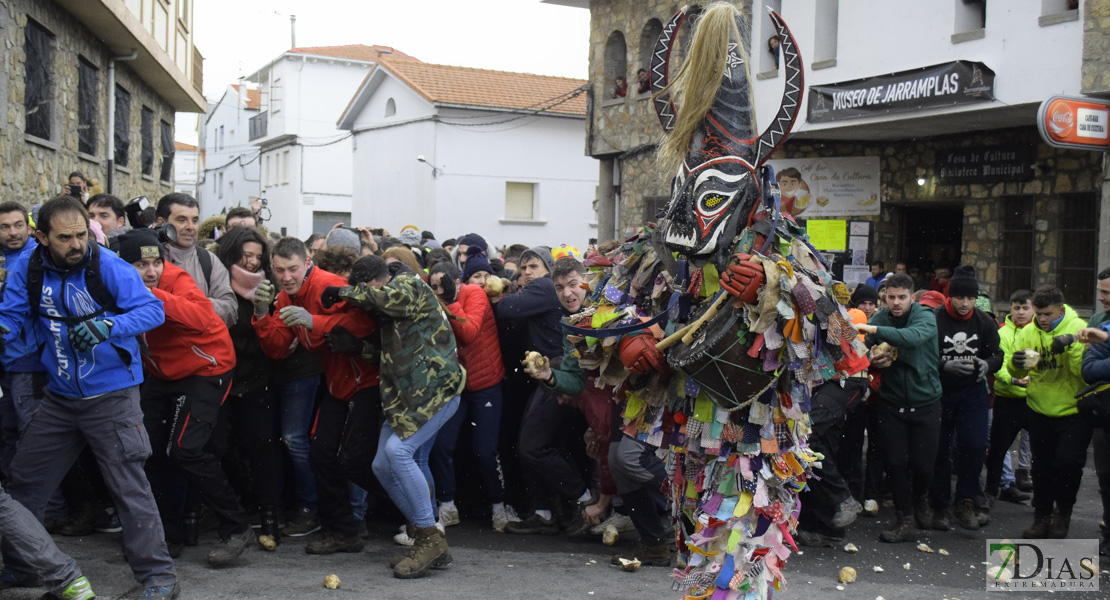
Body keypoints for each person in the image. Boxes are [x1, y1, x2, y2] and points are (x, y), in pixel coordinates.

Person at [0, 195, 178, 599]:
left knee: (128, 487)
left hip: (112, 396)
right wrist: (3, 331)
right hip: (59, 398)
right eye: (65, 238)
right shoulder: (27, 269)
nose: (77, 244)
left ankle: (158, 577)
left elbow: (152, 311)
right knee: (24, 483)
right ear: (41, 237)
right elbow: (11, 316)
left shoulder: (108, 265)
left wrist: (107, 326)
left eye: (82, 235)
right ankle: (24, 567)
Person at [117, 228, 254, 564]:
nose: (151, 271)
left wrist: (153, 294)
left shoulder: (176, 279)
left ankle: (237, 527)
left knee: (186, 450)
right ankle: (168, 532)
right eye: (140, 264)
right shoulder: (116, 284)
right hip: (163, 373)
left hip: (208, 367)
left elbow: (204, 316)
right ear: (123, 267)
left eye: (155, 263)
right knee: (146, 449)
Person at [322, 256, 464, 578]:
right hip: (406, 401)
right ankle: (431, 539)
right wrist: (357, 347)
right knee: (380, 465)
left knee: (398, 453)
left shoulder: (407, 285)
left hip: (437, 394)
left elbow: (383, 299)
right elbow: (393, 354)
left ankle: (427, 536)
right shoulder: (392, 309)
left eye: (364, 291)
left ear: (375, 281)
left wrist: (342, 291)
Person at [252, 238, 379, 555]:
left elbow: (365, 320)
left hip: (368, 383)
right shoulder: (283, 297)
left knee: (355, 460)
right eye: (279, 270)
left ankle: (414, 519)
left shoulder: (329, 284)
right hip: (340, 384)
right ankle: (345, 531)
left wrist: (316, 322)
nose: (286, 276)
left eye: (292, 268)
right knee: (324, 456)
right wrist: (260, 314)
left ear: (307, 262)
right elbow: (278, 347)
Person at [493, 248, 591, 535]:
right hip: (548, 377)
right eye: (523, 268)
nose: (527, 272)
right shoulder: (553, 294)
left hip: (558, 375)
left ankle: (584, 500)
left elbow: (505, 308)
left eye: (533, 265)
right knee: (537, 445)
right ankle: (547, 511)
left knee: (533, 445)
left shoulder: (543, 286)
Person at [427, 262, 518, 531]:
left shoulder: (473, 294)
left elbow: (468, 333)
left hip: (484, 382)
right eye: (433, 287)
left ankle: (499, 506)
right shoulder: (433, 300)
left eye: (443, 285)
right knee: (441, 446)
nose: (438, 291)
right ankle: (447, 506)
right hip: (456, 386)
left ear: (458, 283)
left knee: (485, 450)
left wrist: (452, 302)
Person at [853, 273, 942, 543]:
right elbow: (858, 352)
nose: (895, 303)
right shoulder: (879, 319)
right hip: (892, 404)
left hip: (926, 401)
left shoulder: (924, 317)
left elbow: (912, 338)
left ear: (912, 298)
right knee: (895, 463)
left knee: (923, 465)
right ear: (884, 297)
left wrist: (873, 331)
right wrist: (872, 359)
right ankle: (904, 518)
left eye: (901, 297)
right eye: (890, 297)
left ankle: (921, 499)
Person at [215, 226, 287, 549]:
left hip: (257, 378)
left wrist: (264, 311)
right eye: (247, 255)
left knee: (263, 447)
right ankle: (232, 513)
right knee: (218, 448)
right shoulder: (217, 281)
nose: (254, 262)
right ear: (232, 253)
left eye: (259, 256)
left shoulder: (270, 287)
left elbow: (275, 337)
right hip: (221, 379)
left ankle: (270, 518)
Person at [1011, 286, 1089, 539]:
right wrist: (1017, 364)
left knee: (1067, 464)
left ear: (1061, 309)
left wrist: (1072, 346)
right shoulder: (1029, 332)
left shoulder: (1078, 328)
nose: (1043, 319)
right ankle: (1041, 516)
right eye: (1039, 313)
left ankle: (1062, 513)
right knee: (1040, 468)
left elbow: (1083, 374)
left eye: (1049, 314)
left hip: (1073, 409)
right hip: (1039, 408)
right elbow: (1019, 373)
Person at [928, 265, 1002, 531]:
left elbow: (997, 355)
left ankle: (967, 501)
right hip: (940, 392)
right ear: (950, 296)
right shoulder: (934, 319)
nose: (964, 303)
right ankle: (939, 505)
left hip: (972, 393)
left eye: (970, 298)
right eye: (959, 297)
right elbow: (923, 356)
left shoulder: (984, 321)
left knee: (973, 446)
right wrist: (943, 366)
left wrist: (986, 365)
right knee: (940, 450)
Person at [0, 201, 44, 478]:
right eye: (4, 227)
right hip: (5, 363)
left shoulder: (37, 259)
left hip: (29, 362)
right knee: (7, 432)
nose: (13, 232)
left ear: (29, 228)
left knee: (31, 437)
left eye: (18, 225)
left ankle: (50, 511)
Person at [985, 289, 1035, 506]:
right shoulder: (1002, 333)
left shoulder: (1039, 332)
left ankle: (1042, 500)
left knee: (1041, 452)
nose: (1021, 312)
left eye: (1026, 308)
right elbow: (999, 365)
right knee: (998, 449)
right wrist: (1013, 380)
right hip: (1007, 399)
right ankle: (990, 494)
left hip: (1035, 400)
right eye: (1016, 308)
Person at [155, 193, 237, 326]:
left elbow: (230, 310)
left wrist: (190, 308)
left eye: (194, 220)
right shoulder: (145, 260)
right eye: (182, 220)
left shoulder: (209, 261)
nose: (190, 227)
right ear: (161, 223)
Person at [1087, 268, 1110, 557]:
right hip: (1105, 415)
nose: (1101, 297)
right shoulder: (1097, 321)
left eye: (1107, 292)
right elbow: (1089, 368)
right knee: (1106, 476)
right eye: (1101, 291)